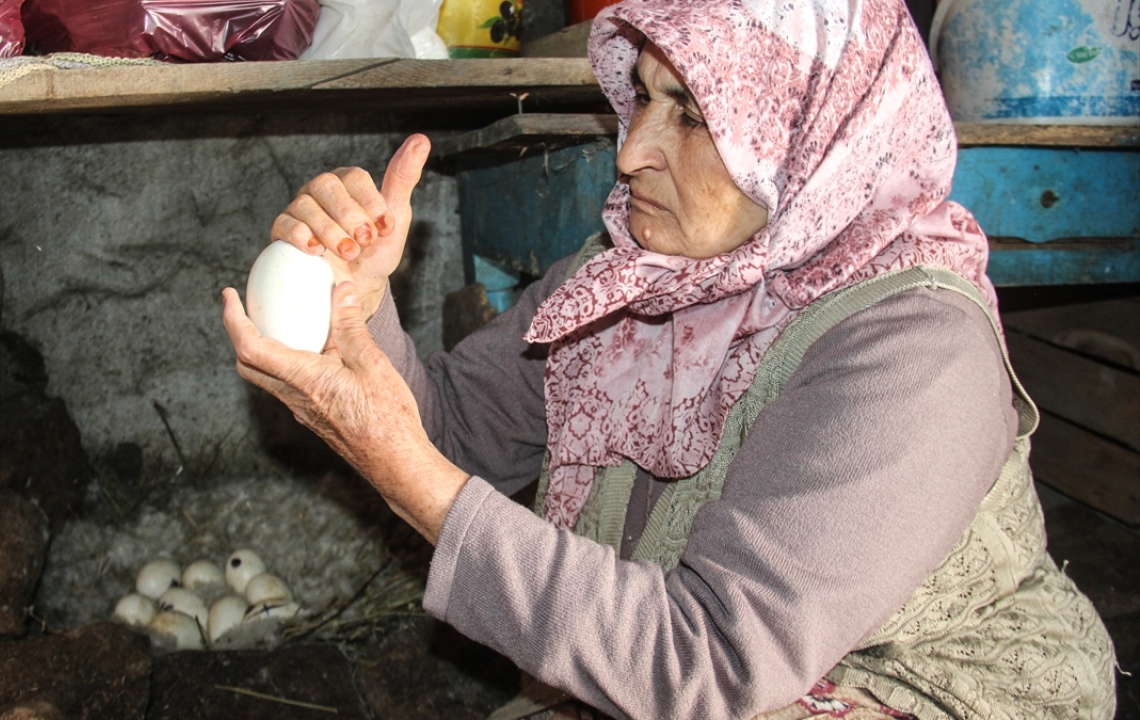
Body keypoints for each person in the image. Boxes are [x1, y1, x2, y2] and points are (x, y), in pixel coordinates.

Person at [222, 0, 1118, 717]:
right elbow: (458, 431)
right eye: (644, 96)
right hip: (690, 673)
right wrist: (355, 312)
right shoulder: (628, 278)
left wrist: (403, 471)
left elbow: (712, 660)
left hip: (913, 685)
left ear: (814, 132)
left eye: (693, 112)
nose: (631, 149)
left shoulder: (911, 346)